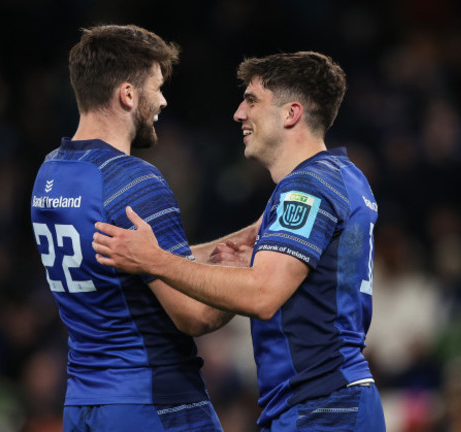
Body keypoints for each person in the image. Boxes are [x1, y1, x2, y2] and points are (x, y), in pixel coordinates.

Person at [92, 51, 386, 431]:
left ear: (291, 114)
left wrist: (154, 260)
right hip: (331, 401)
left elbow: (262, 295)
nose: (239, 114)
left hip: (323, 407)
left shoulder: (307, 187)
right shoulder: (344, 174)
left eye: (252, 101)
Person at [30, 24, 257, 432]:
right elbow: (195, 317)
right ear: (128, 95)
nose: (164, 101)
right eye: (156, 87)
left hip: (83, 405)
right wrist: (241, 276)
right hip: (156, 403)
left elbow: (133, 265)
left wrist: (230, 243)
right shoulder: (134, 180)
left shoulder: (50, 173)